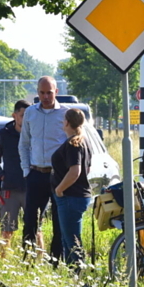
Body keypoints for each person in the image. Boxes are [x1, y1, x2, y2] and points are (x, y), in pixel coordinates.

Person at [19, 76, 67, 260]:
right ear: (37, 92)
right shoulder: (30, 113)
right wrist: (26, 171)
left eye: (49, 92)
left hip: (58, 176)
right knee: (30, 219)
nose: (45, 96)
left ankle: (56, 260)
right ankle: (27, 260)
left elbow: (74, 142)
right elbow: (24, 143)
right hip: (35, 173)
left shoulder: (65, 113)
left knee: (58, 220)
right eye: (42, 92)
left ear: (56, 91)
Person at [51, 108, 93, 268]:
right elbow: (87, 169)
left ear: (67, 122)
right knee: (68, 238)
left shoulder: (73, 143)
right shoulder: (84, 141)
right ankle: (72, 273)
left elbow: (76, 170)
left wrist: (60, 189)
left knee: (71, 240)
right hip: (78, 196)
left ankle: (78, 272)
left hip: (70, 196)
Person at [0, 99, 30, 257]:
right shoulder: (3, 134)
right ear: (15, 115)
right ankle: (3, 261)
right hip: (9, 190)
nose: (25, 119)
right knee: (7, 230)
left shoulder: (34, 135)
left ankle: (36, 261)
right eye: (22, 115)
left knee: (35, 229)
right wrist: (1, 175)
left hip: (30, 189)